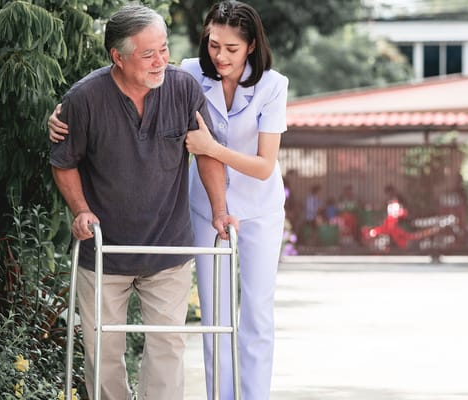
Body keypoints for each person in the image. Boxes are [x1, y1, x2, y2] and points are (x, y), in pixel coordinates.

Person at [49, 2, 288, 399]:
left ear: (250, 47)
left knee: (238, 321)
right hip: (148, 232)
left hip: (225, 219)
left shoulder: (249, 84)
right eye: (214, 45)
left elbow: (237, 160)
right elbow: (70, 146)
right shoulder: (176, 75)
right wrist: (58, 120)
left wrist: (218, 198)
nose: (220, 56)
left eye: (231, 48)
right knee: (197, 320)